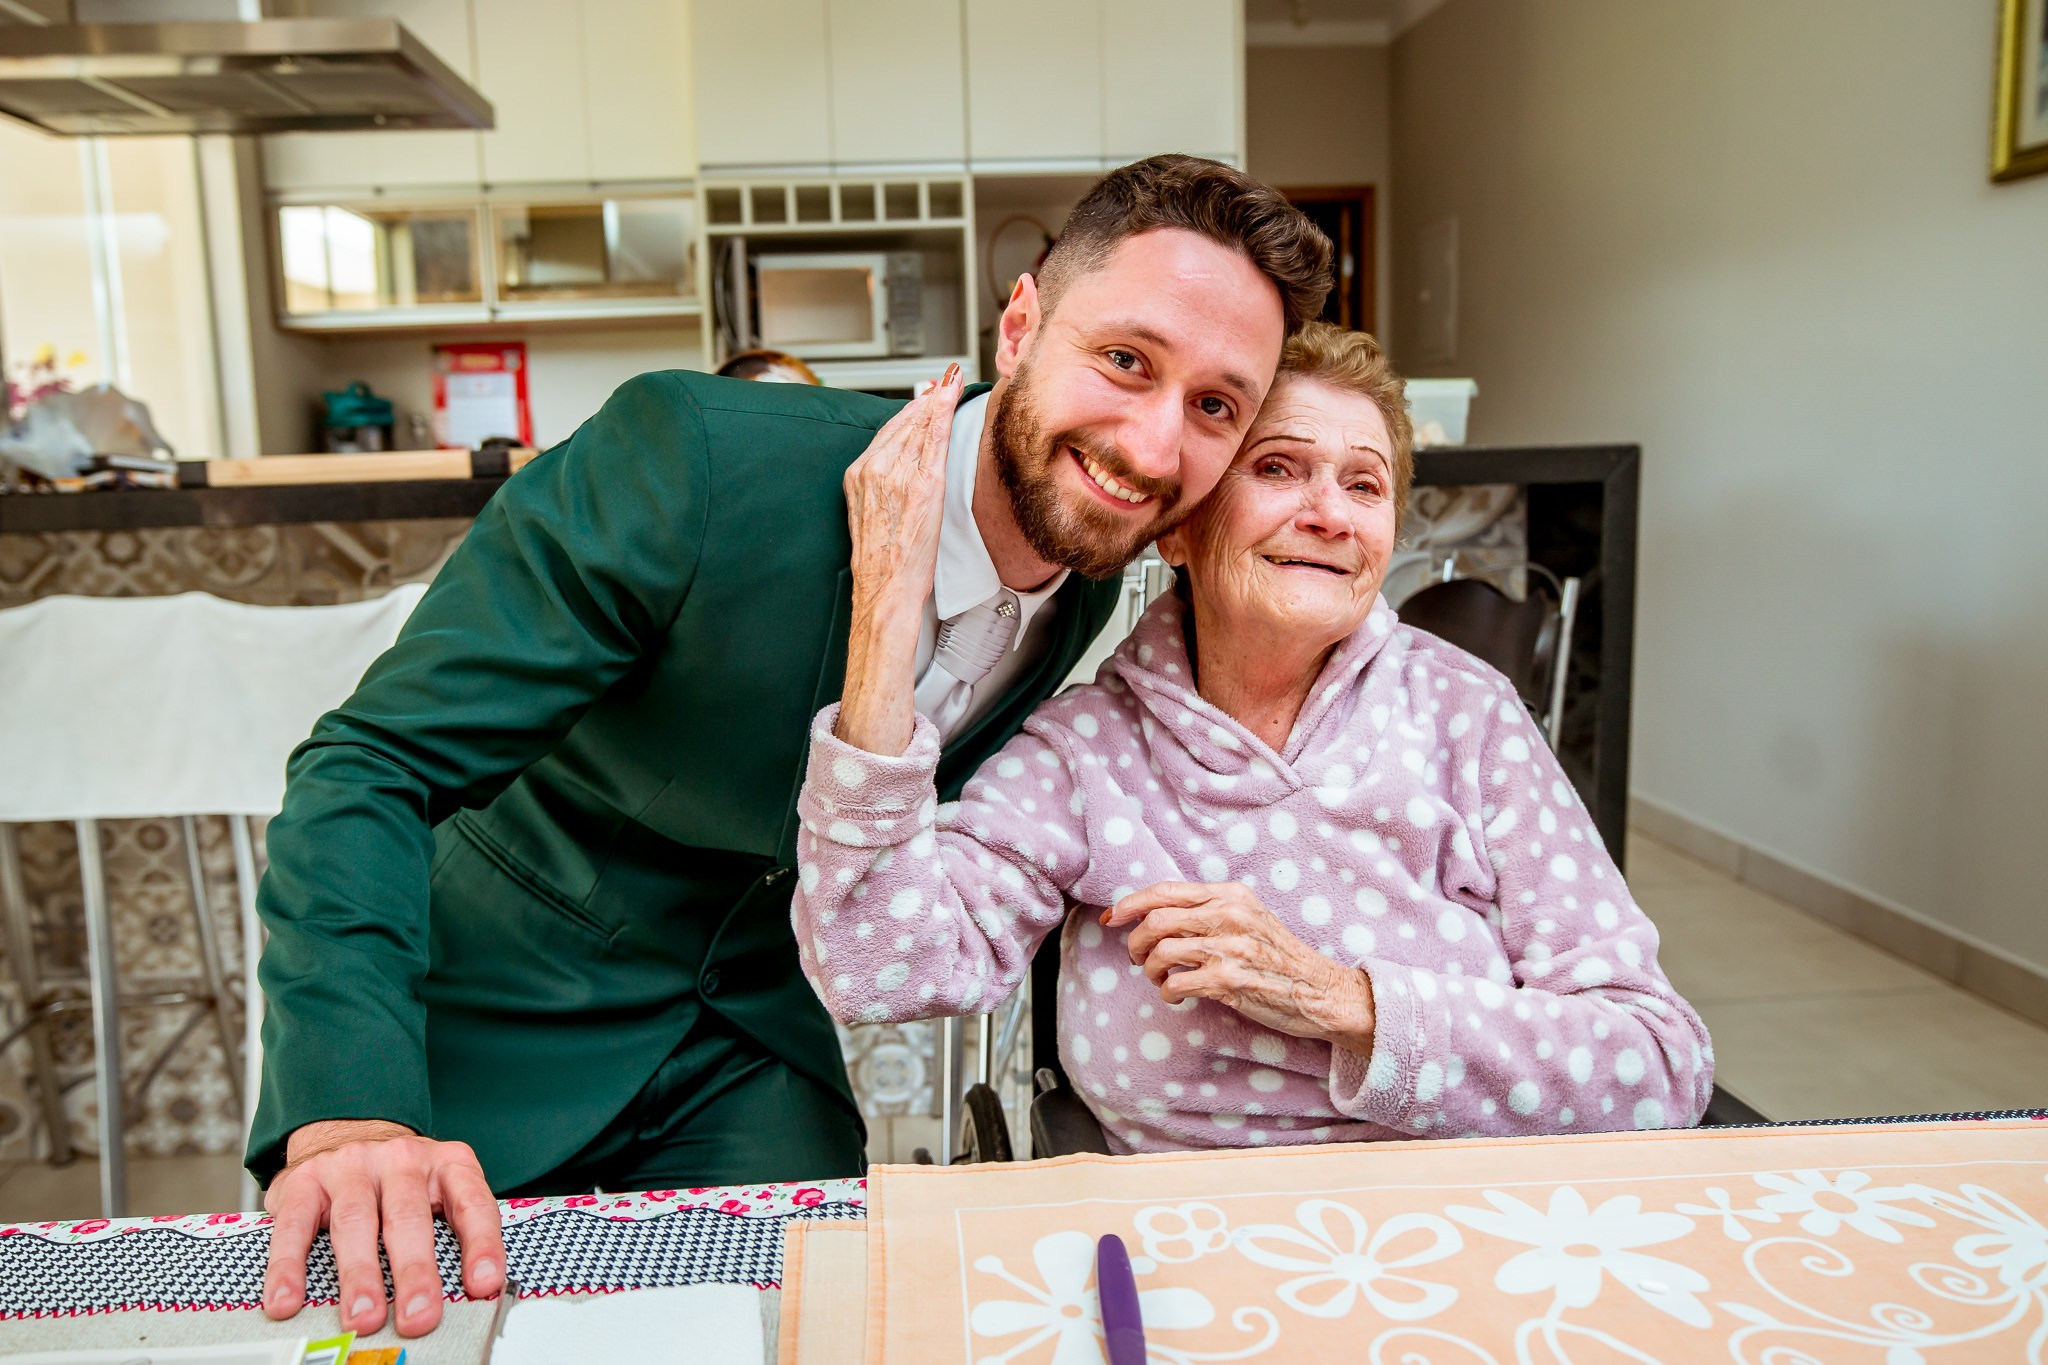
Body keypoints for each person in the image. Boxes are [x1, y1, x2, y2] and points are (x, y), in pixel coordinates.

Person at [250, 154, 1332, 1339]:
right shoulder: (691, 459)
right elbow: (369, 768)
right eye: (1124, 360)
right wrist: (353, 1113)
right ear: (1018, 325)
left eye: (1214, 406)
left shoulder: (1082, 572)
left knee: (822, 1332)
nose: (1150, 447)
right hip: (494, 1013)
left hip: (754, 1036)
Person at [792, 321, 1712, 1153]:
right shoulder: (1089, 752)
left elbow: (1659, 1062)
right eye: (1278, 468)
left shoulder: (1469, 715)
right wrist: (886, 608)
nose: (1331, 513)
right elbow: (877, 963)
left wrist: (1339, 1000)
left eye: (1365, 483)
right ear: (1179, 531)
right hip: (1179, 1247)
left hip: (1464, 1219)